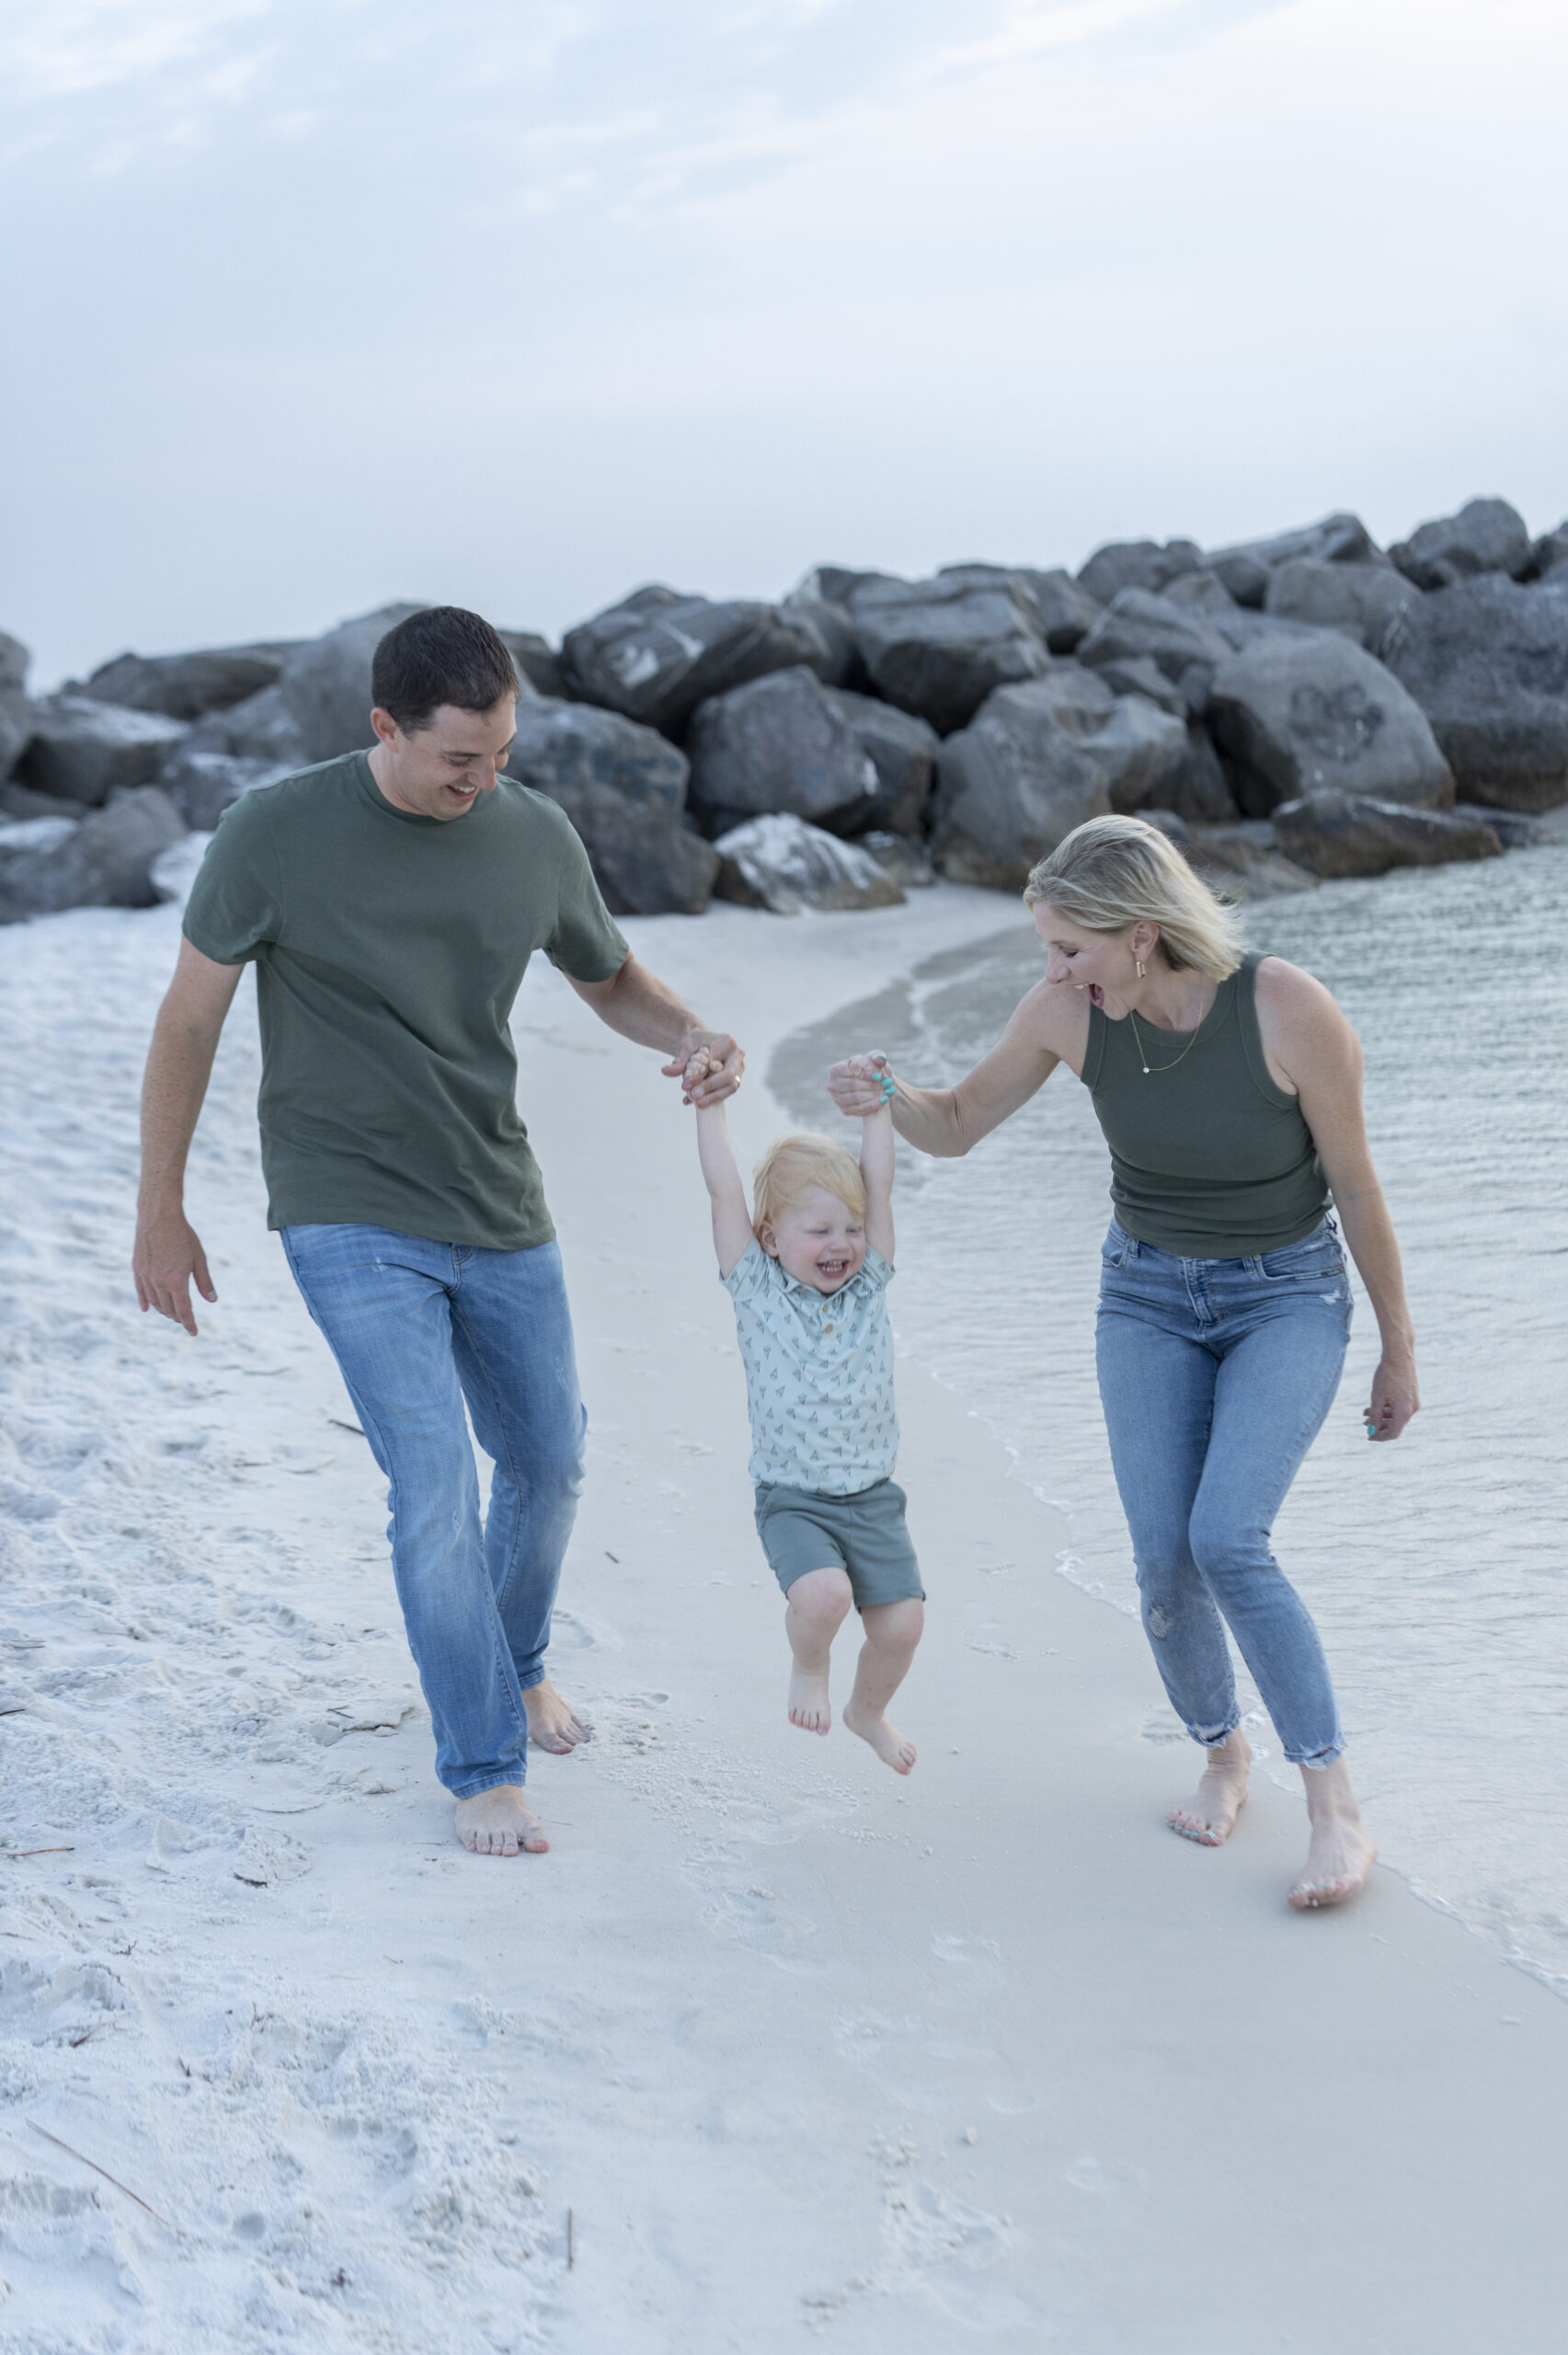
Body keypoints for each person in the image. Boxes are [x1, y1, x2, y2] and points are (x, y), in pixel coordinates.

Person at [132, 605, 743, 1860]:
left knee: (549, 1461)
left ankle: (511, 1664)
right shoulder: (273, 834)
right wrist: (161, 1206)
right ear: (383, 729)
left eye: (503, 755)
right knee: (431, 1488)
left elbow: (608, 977)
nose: (485, 781)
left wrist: (690, 1035)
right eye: (460, 759)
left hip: (494, 1197)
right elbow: (188, 1020)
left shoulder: (528, 837)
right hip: (344, 1203)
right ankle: (481, 1766)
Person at [828, 815, 1419, 1908]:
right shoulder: (1068, 1013)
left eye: (1069, 948)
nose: (1051, 971)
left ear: (1141, 936)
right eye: (1048, 949)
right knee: (1162, 1560)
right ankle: (1222, 1752)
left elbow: (1357, 1184)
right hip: (1146, 1295)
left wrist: (1398, 1348)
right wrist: (884, 1093)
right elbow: (955, 1121)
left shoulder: (1287, 1008)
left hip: (1286, 1294)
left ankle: (1335, 1804)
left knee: (1227, 1536)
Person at [692, 1059, 925, 1774]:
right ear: (769, 1239)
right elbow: (725, 1189)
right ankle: (810, 1668)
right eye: (819, 1229)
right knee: (824, 1595)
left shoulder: (867, 1288)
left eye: (851, 1228)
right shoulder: (755, 1290)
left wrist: (875, 1111)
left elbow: (879, 1183)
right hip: (794, 1500)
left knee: (902, 1625)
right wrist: (708, 1108)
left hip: (873, 1500)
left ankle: (867, 1710)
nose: (840, 1244)